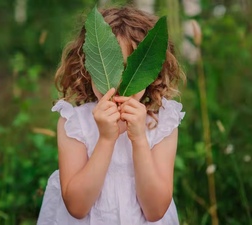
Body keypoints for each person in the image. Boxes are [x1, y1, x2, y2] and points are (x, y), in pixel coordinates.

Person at [37, 6, 185, 225]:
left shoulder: (161, 124)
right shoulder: (75, 124)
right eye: (110, 69)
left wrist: (140, 140)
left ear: (149, 73)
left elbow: (155, 211)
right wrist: (106, 139)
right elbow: (77, 207)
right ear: (90, 70)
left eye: (128, 69)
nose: (118, 84)